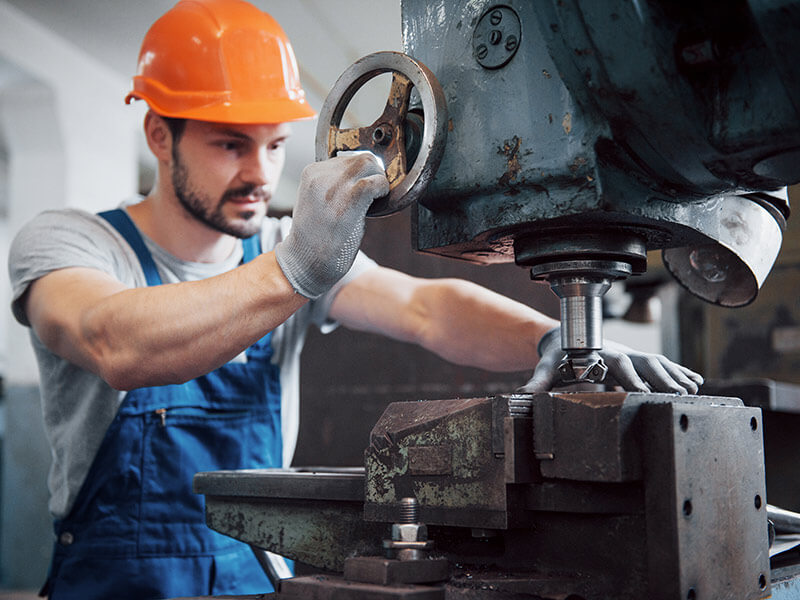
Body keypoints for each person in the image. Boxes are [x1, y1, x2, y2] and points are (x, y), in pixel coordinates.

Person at [6, 1, 703, 598]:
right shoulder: (70, 243)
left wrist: (551, 338)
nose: (259, 174)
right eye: (229, 145)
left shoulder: (278, 249)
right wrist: (297, 270)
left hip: (255, 575)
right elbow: (115, 343)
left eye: (275, 146)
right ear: (160, 135)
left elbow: (426, 309)